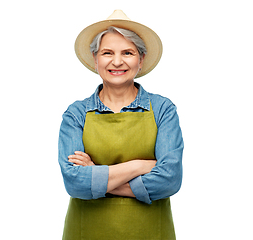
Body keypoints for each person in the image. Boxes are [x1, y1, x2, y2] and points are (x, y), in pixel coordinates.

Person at [58, 10, 184, 240]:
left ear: (141, 59)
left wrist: (95, 174)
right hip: (87, 232)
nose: (117, 61)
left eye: (128, 52)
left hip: (149, 232)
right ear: (96, 60)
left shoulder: (163, 109)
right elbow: (74, 183)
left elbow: (169, 180)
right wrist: (139, 166)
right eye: (108, 53)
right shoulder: (76, 114)